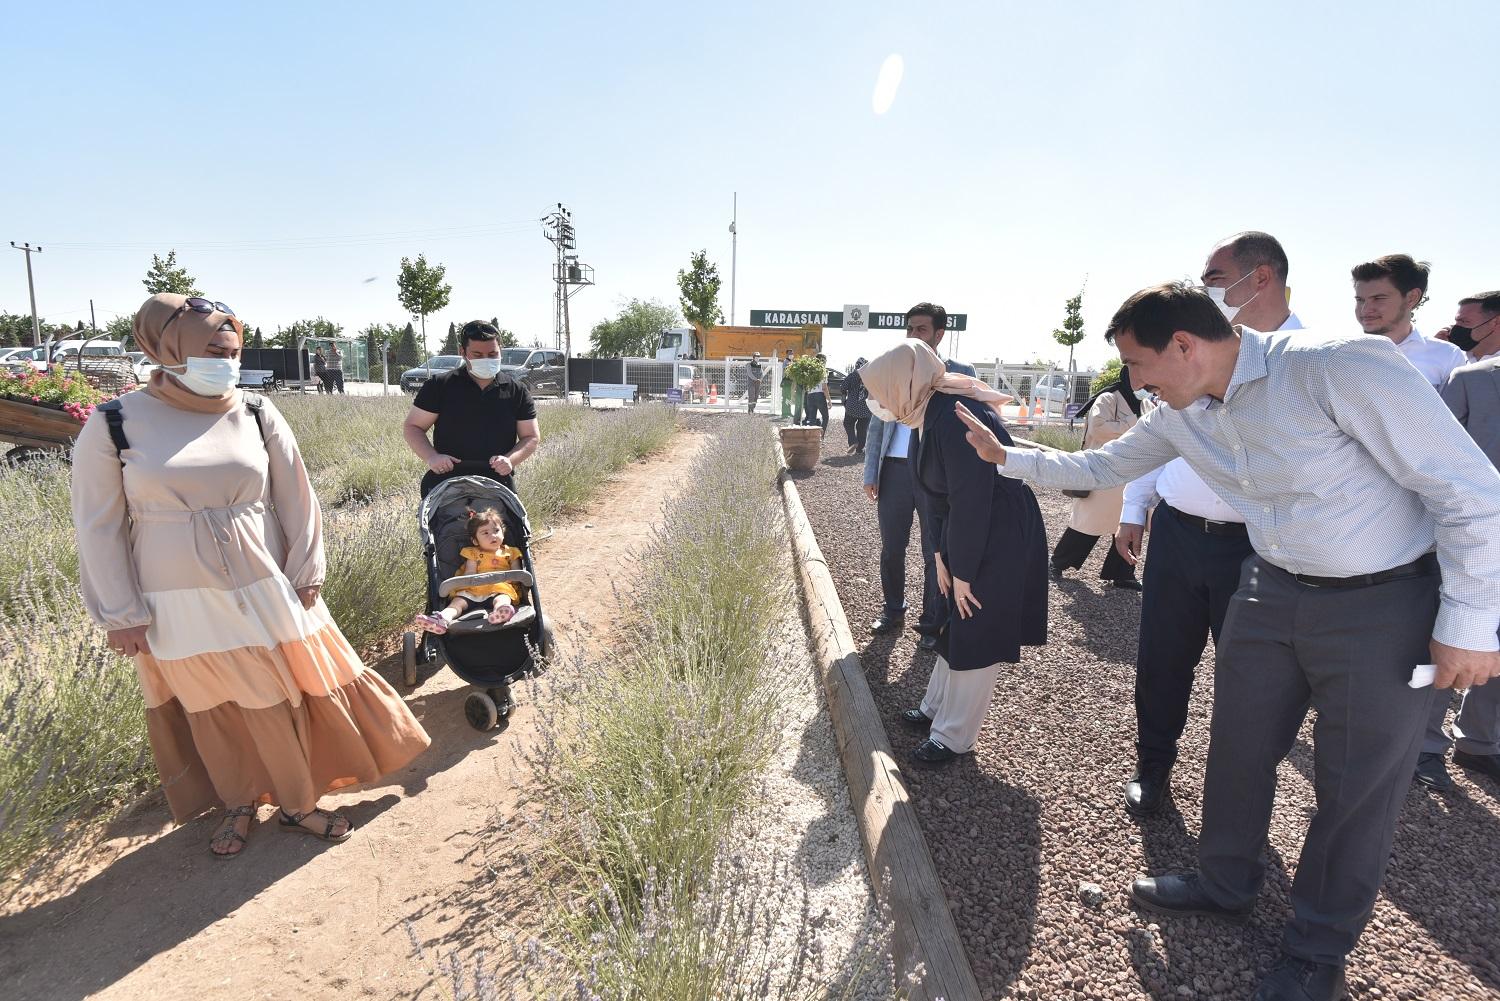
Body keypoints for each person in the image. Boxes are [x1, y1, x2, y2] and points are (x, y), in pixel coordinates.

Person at [956, 282, 1500, 1001]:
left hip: (1384, 602)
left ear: (1185, 344)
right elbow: (1103, 467)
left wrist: (1469, 622)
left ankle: (1317, 949)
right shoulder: (1181, 411)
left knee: (1355, 784)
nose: (1134, 382)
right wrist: (1007, 455)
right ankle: (1225, 880)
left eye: (1138, 363)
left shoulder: (1337, 365)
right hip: (1270, 587)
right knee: (1238, 747)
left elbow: (1469, 490)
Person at [71, 293, 432, 859]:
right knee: (212, 703)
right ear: (169, 347)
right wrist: (121, 614)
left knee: (282, 691)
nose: (228, 363)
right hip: (173, 599)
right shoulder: (113, 422)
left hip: (265, 582)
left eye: (234, 352)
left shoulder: (258, 411)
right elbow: (98, 526)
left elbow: (296, 496)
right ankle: (239, 801)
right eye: (214, 351)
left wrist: (307, 568)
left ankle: (297, 803)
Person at [1116, 230, 1302, 816]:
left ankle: (1239, 796)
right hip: (1178, 531)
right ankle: (1153, 767)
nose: (1205, 291)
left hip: (1257, 548)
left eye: (1216, 280)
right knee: (1162, 661)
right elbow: (1154, 437)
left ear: (1261, 278)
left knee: (1252, 677)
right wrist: (1134, 509)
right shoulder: (1187, 349)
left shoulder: (1303, 359)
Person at [859, 341, 1045, 765]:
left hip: (996, 532)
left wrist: (963, 572)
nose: (880, 401)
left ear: (903, 383)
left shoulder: (953, 417)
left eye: (882, 391)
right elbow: (938, 498)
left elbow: (971, 500)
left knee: (975, 627)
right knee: (951, 621)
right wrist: (943, 556)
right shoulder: (926, 411)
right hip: (971, 531)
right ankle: (936, 708)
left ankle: (954, 735)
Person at [1417, 302, 1500, 789]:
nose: (1462, 330)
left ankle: (1480, 743)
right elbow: (1434, 459)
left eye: (1469, 321)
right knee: (1449, 636)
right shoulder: (1472, 380)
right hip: (1470, 538)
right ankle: (1424, 746)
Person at [863, 303, 976, 652]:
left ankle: (932, 621)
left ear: (939, 334)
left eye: (921, 329)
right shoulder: (894, 365)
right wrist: (871, 471)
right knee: (891, 548)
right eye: (910, 328)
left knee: (935, 551)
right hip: (894, 470)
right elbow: (876, 425)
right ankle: (893, 609)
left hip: (934, 475)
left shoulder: (958, 372)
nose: (913, 335)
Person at [404, 320, 541, 498]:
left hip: (497, 484)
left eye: (492, 354)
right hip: (446, 482)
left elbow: (531, 437)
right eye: (477, 354)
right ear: (463, 352)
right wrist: (432, 457)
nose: (486, 359)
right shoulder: (439, 386)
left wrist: (510, 460)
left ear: (500, 351)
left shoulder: (517, 391)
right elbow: (413, 427)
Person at [1049, 365, 1141, 590]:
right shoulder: (1108, 399)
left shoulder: (1146, 402)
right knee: (1088, 523)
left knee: (1128, 523)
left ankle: (1122, 574)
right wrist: (1135, 421)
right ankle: (1058, 562)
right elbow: (1098, 428)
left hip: (1132, 474)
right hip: (1104, 474)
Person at [1353, 254, 1465, 389]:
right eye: (1360, 300)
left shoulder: (1447, 355)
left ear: (1412, 298)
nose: (1365, 309)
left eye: (1378, 298)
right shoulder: (1342, 355)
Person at [413, 507, 525, 634]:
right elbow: (470, 573)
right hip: (474, 588)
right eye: (485, 533)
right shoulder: (472, 553)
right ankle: (442, 619)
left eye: (496, 530)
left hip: (500, 587)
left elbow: (517, 575)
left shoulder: (511, 552)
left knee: (503, 598)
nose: (493, 535)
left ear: (503, 533)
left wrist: (508, 578)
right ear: (475, 541)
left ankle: (500, 612)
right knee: (457, 602)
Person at [841, 357, 871, 454]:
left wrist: (844, 400)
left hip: (852, 406)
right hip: (866, 408)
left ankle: (853, 441)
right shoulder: (870, 377)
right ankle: (860, 449)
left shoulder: (852, 375)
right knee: (862, 429)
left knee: (848, 423)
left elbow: (843, 387)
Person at [803, 354, 831, 435]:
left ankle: (812, 438)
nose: (826, 362)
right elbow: (824, 388)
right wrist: (829, 400)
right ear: (822, 361)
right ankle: (821, 436)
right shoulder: (823, 371)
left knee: (812, 419)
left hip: (810, 395)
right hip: (819, 395)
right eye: (825, 360)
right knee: (825, 417)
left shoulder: (809, 371)